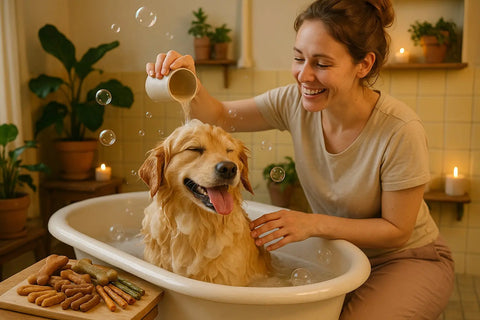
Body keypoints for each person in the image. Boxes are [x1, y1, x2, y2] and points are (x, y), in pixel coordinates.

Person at [146, 0, 454, 318]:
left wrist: (311, 223)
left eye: (321, 63)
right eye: (298, 58)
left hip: (406, 258)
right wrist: (189, 83)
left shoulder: (400, 130)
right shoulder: (294, 101)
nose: (304, 75)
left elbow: (397, 230)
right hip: (339, 253)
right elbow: (220, 116)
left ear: (363, 65)